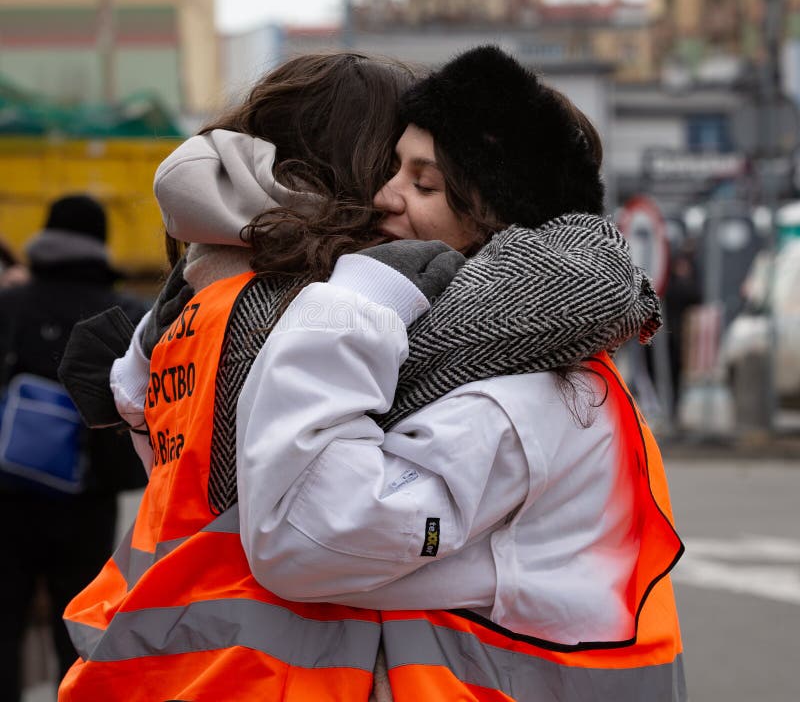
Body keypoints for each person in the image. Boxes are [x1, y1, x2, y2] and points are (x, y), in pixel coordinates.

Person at [61, 48, 683, 702]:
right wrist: (358, 304)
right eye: (391, 169)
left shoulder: (202, 305)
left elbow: (305, 528)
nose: (387, 197)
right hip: (241, 674)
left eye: (423, 182)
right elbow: (297, 522)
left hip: (168, 669)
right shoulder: (310, 317)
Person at [0, 194, 148, 702]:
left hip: (7, 492)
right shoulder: (126, 315)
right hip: (89, 496)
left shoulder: (11, 304)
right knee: (80, 622)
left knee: (4, 620)